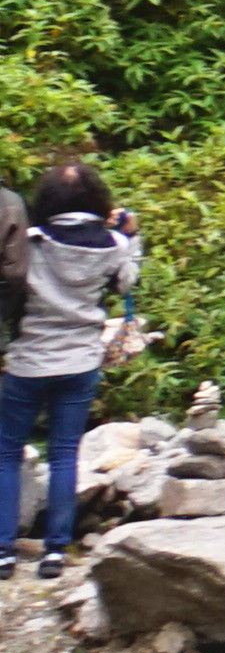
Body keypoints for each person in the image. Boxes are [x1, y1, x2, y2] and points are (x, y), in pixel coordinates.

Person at [4, 166, 140, 584]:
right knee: (65, 454)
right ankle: (55, 552)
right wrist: (133, 238)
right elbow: (125, 285)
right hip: (80, 363)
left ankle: (4, 551)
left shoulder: (32, 242)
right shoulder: (114, 244)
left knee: (7, 454)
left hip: (27, 361)